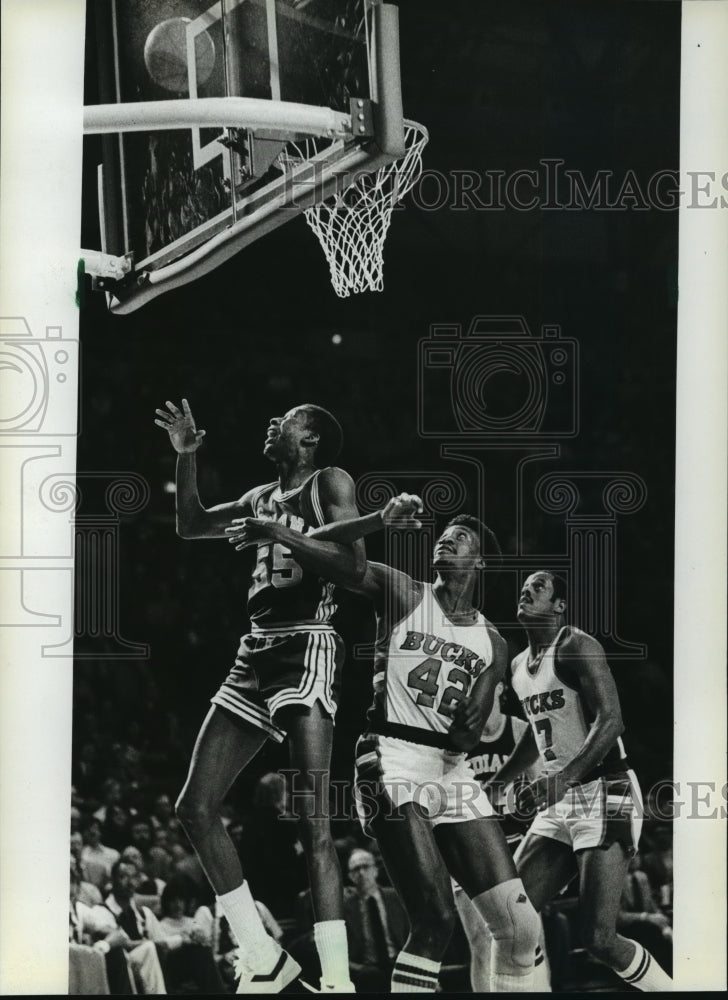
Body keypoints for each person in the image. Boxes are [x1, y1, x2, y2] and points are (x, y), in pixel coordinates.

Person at [228, 494, 541, 992]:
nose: (446, 540)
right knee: (435, 919)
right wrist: (280, 533)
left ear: (480, 561)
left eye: (460, 538)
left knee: (521, 927)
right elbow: (340, 563)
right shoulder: (403, 591)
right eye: (444, 535)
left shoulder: (495, 643)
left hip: (451, 767)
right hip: (391, 755)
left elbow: (470, 731)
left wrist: (470, 721)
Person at [155, 398, 366, 993]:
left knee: (314, 820)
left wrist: (278, 531)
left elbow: (353, 567)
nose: (273, 422)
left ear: (311, 440)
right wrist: (186, 457)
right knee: (194, 807)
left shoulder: (329, 482)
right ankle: (261, 955)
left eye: (288, 419)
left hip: (308, 641)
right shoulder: (257, 497)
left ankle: (338, 981)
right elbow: (190, 523)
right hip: (255, 651)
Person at [491, 570, 672, 991]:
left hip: (605, 788)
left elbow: (612, 721)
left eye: (539, 587)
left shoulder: (576, 645)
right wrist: (499, 781)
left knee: (598, 938)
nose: (527, 590)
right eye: (524, 587)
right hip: (563, 797)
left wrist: (562, 779)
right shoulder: (518, 666)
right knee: (510, 915)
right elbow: (538, 735)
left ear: (559, 606)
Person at [452, 682, 552, 992]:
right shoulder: (455, 739)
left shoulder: (520, 730)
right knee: (482, 941)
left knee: (531, 935)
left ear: (499, 688)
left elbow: (545, 793)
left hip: (516, 846)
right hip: (471, 850)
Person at [344, 847, 409, 993]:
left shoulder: (396, 898)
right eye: (356, 869)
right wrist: (360, 968)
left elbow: (413, 934)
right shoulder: (345, 907)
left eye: (365, 866)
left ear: (375, 870)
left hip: (399, 962)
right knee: (371, 978)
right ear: (350, 876)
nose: (361, 873)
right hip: (367, 970)